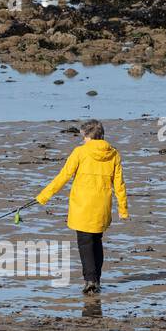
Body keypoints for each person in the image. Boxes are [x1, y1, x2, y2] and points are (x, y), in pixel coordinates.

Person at [35, 119, 128, 294]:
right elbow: (120, 185)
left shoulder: (80, 152)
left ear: (88, 136)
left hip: (82, 206)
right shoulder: (114, 154)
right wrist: (123, 210)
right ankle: (95, 279)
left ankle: (90, 281)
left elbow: (63, 176)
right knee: (96, 242)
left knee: (85, 243)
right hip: (101, 206)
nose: (83, 140)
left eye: (83, 137)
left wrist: (43, 196)